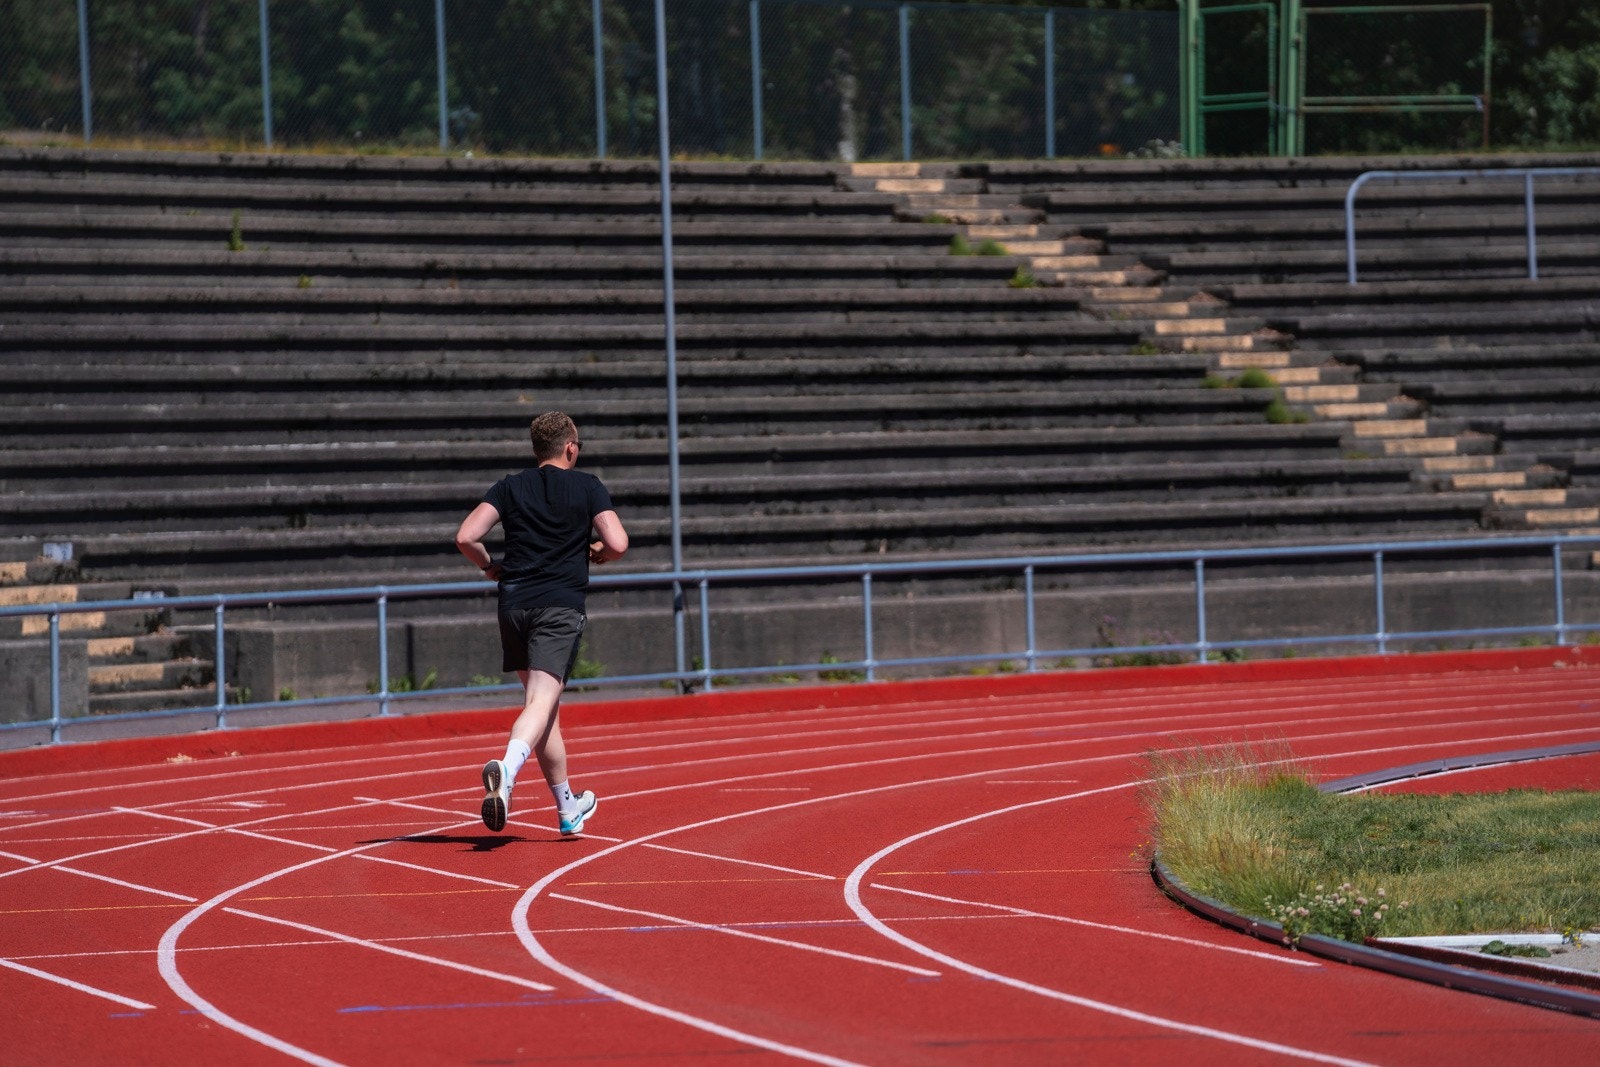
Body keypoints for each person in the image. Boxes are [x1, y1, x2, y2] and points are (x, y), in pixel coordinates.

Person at [454, 411, 628, 836]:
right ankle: (507, 771)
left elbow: (465, 537)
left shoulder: (510, 486)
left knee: (543, 708)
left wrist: (489, 566)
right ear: (570, 447)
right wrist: (600, 551)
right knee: (539, 705)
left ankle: (568, 808)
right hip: (559, 606)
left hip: (514, 605)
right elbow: (619, 542)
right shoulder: (587, 485)